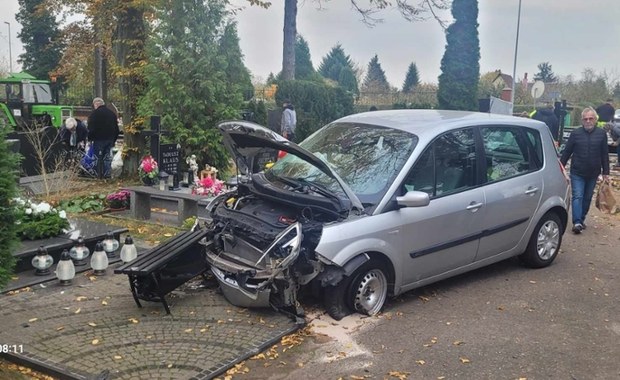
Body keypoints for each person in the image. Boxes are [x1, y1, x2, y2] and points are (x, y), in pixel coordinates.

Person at [560, 107, 610, 234]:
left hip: (593, 173)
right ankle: (576, 222)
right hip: (577, 172)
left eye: (590, 118)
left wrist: (606, 173)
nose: (588, 121)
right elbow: (567, 152)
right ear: (582, 120)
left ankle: (581, 219)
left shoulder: (601, 134)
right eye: (585, 119)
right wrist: (560, 167)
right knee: (577, 196)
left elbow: (605, 154)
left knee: (587, 198)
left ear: (595, 119)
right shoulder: (575, 134)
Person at [87, 97, 119, 178]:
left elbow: (91, 128)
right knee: (107, 157)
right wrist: (114, 140)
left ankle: (98, 175)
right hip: (110, 139)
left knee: (98, 158)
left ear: (96, 104)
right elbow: (116, 128)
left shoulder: (94, 114)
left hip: (98, 140)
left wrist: (90, 139)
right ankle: (107, 174)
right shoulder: (112, 114)